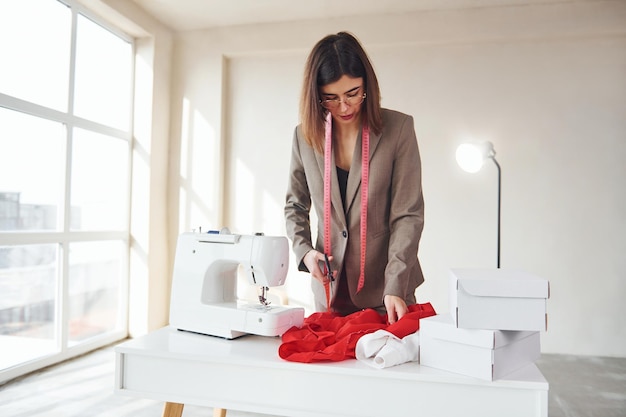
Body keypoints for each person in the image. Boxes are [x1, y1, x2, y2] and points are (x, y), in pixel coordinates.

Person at [284, 31, 425, 324]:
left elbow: (407, 215)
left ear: (367, 87)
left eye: (353, 93)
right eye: (331, 98)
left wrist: (396, 284)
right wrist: (305, 252)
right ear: (316, 96)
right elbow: (295, 206)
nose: (344, 107)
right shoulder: (304, 137)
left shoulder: (398, 129)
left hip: (388, 291)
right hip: (330, 291)